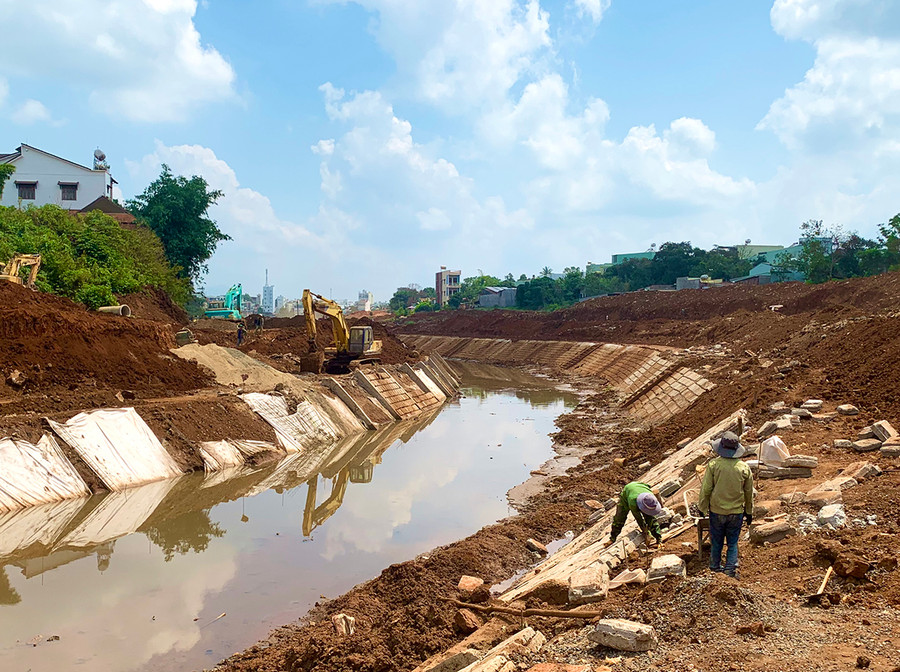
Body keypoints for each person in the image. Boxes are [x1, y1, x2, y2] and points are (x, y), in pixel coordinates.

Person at [698, 431, 754, 578]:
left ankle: (715, 569)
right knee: (733, 542)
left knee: (716, 541)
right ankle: (730, 570)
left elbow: (706, 489)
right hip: (736, 512)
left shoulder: (714, 465)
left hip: (717, 511)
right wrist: (749, 511)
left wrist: (702, 508)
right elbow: (748, 492)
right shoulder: (744, 468)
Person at [609, 481, 664, 546]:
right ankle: (612, 538)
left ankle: (658, 537)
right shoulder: (633, 502)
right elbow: (639, 519)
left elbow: (651, 519)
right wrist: (647, 533)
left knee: (649, 518)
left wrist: (659, 539)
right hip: (628, 491)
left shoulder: (650, 498)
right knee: (620, 517)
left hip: (640, 487)